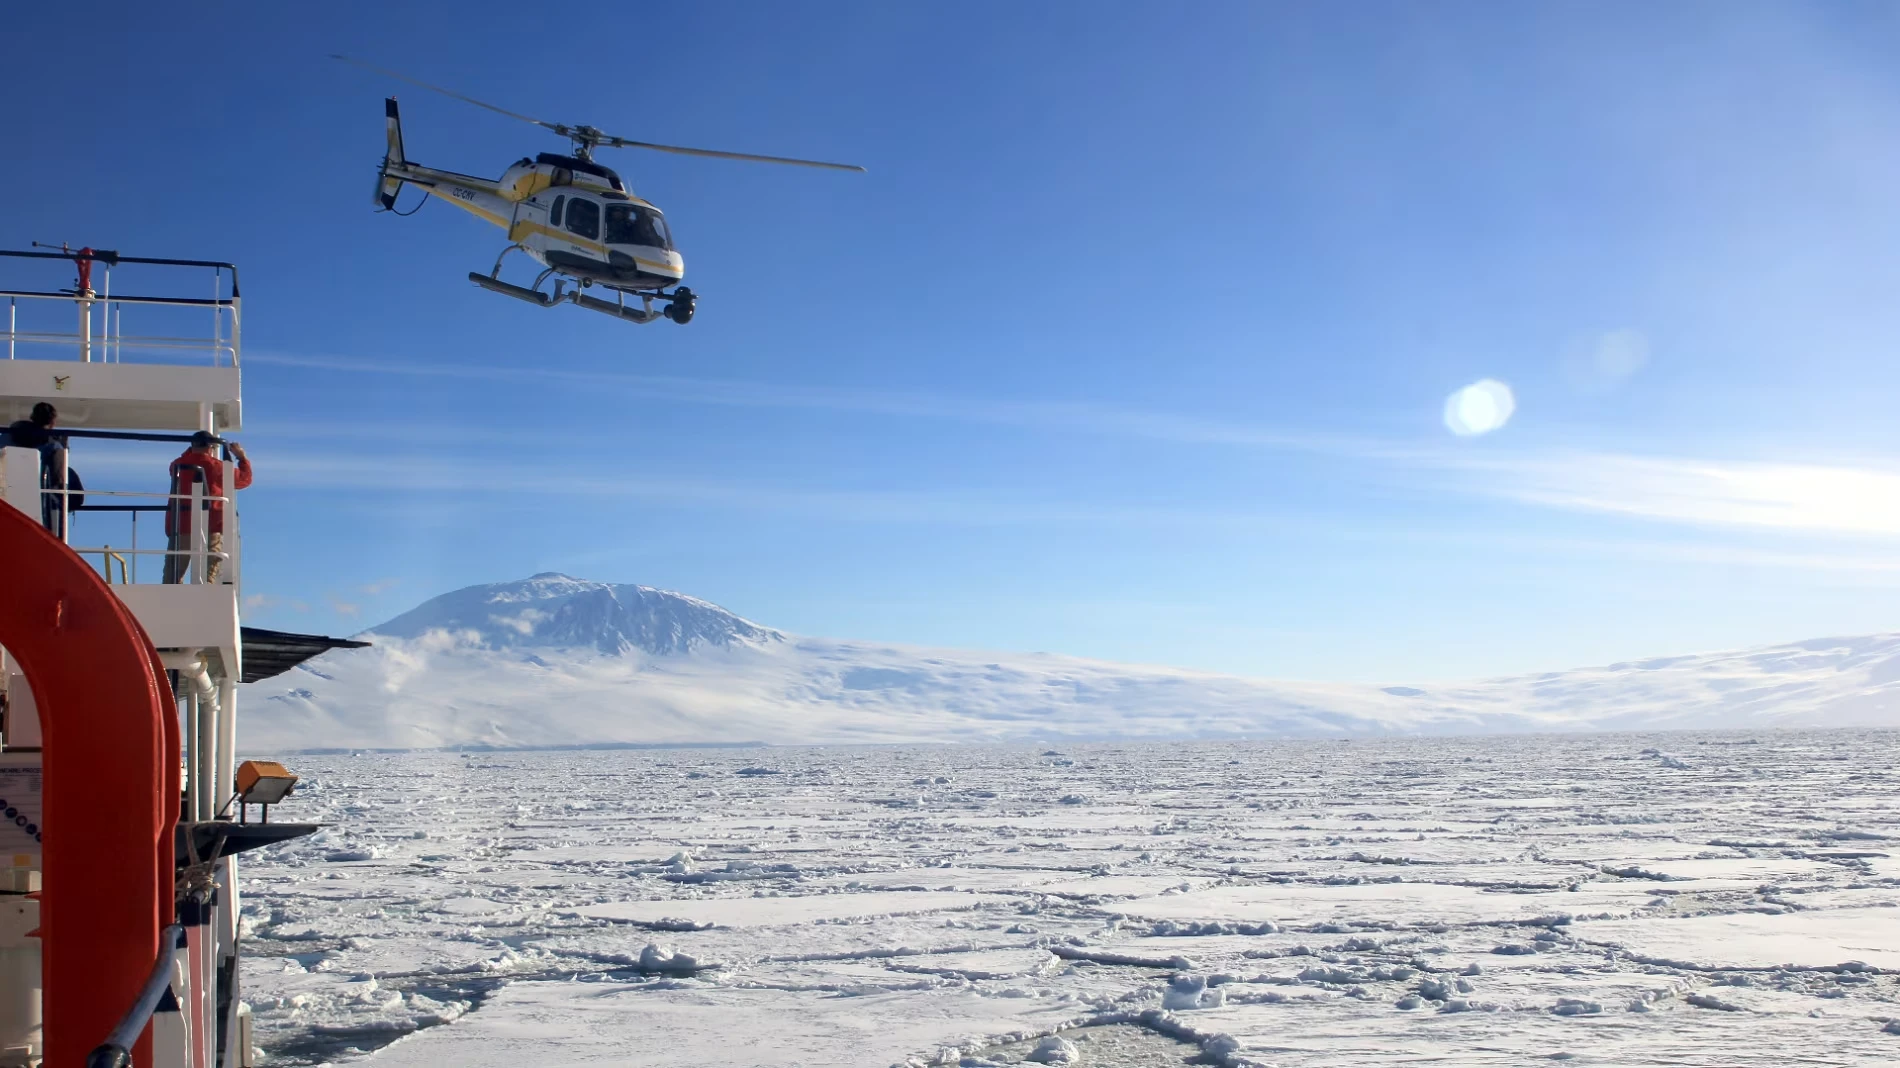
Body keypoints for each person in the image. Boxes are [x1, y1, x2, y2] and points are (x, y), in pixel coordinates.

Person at [165, 431, 252, 584]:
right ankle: (206, 599)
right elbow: (244, 480)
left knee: (172, 577)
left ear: (192, 446)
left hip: (181, 525)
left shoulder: (177, 465)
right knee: (209, 576)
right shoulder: (218, 467)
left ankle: (169, 600)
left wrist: (191, 450)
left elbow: (180, 462)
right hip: (211, 525)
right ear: (211, 447)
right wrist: (241, 457)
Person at [1, 403, 71, 536]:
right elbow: (59, 480)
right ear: (52, 422)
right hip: (39, 505)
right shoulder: (54, 446)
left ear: (32, 417)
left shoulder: (6, 437)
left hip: (5, 498)